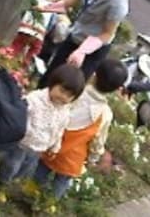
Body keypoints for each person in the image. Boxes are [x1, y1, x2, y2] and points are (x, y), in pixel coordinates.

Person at [31, 59, 129, 199]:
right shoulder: (105, 114)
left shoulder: (74, 93)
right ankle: (46, 206)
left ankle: (30, 193)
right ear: (116, 89)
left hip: (53, 144)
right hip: (74, 156)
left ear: (94, 75)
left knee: (42, 170)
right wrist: (92, 159)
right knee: (61, 182)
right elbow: (97, 142)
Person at [0, 64, 85, 203]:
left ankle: (8, 180)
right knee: (12, 164)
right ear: (53, 83)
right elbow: (21, 115)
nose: (63, 97)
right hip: (22, 141)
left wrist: (55, 146)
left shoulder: (65, 111)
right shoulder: (35, 99)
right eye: (61, 91)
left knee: (26, 169)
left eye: (69, 95)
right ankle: (0, 183)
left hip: (39, 147)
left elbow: (59, 130)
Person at [38, 0, 129, 84]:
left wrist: (82, 51)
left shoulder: (118, 1)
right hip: (75, 35)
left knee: (68, 85)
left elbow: (107, 34)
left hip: (92, 49)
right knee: (51, 76)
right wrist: (47, 8)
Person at [11, 0, 62, 67]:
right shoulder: (53, 8)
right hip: (38, 34)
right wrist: (45, 33)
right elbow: (51, 24)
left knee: (17, 45)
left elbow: (24, 13)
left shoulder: (35, 1)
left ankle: (8, 56)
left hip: (24, 29)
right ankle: (24, 66)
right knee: (34, 51)